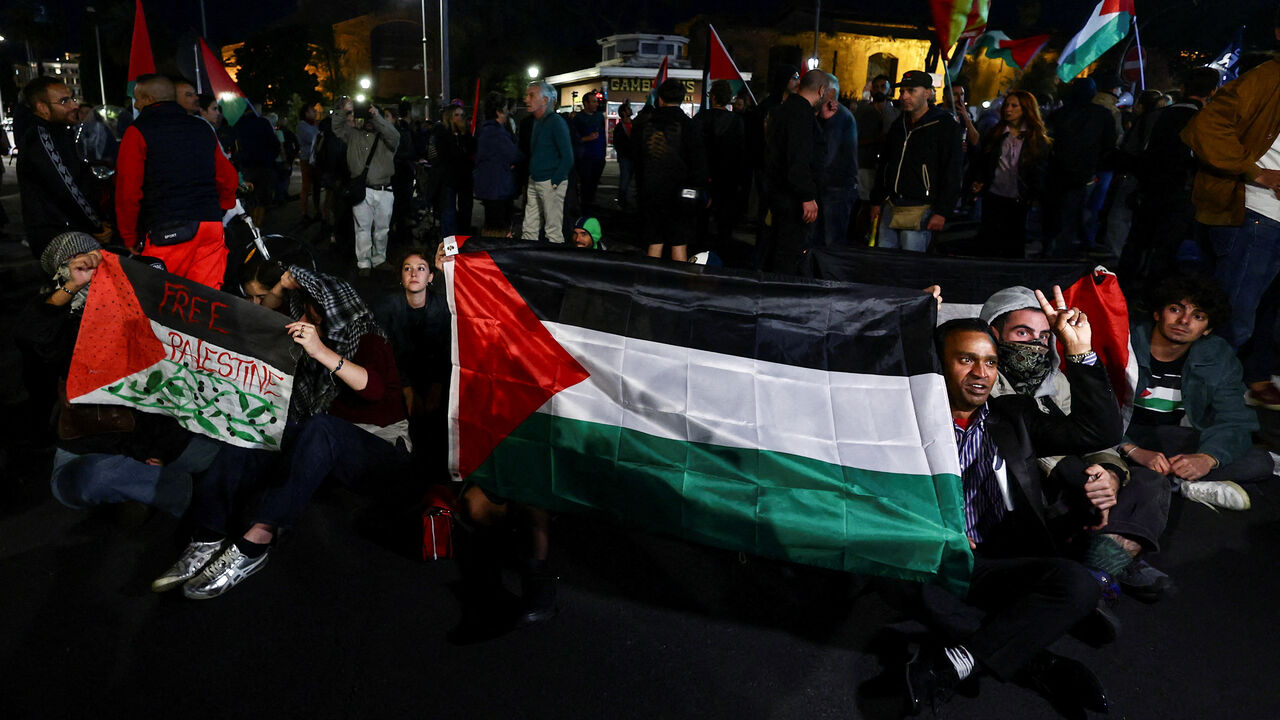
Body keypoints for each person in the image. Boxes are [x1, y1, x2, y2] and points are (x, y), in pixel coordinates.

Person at [903, 296, 1121, 717]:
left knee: (1079, 584)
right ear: (938, 364)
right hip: (930, 556)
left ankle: (958, 660)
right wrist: (909, 329)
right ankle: (1037, 660)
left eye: (988, 362)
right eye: (966, 360)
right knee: (909, 583)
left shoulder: (1012, 415)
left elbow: (1099, 429)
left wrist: (1080, 353)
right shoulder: (906, 419)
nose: (980, 374)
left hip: (998, 559)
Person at [152, 266, 412, 599]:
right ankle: (206, 536)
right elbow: (263, 318)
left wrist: (320, 351)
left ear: (332, 312)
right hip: (322, 449)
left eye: (315, 316)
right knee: (259, 423)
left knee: (321, 428)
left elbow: (373, 389)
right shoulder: (315, 325)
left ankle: (256, 542)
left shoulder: (367, 336)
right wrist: (279, 287)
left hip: (379, 448)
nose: (308, 321)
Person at [980, 286, 1173, 601]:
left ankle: (1100, 568)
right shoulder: (980, 375)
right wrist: (1083, 478)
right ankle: (1101, 565)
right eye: (1022, 332)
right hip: (1021, 489)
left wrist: (1109, 472)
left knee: (1150, 481)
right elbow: (1018, 438)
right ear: (993, 334)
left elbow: (1098, 434)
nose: (1035, 344)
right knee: (1072, 474)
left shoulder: (1055, 379)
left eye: (1043, 336)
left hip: (1077, 482)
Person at [13, 232, 220, 516]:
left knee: (229, 443)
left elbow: (175, 387)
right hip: (95, 448)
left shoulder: (137, 306)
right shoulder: (61, 328)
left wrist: (157, 451)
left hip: (159, 439)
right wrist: (73, 285)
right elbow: (29, 334)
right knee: (84, 482)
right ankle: (175, 494)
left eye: (93, 262)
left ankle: (148, 487)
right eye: (74, 268)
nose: (89, 271)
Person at [1181, 29, 1280, 410]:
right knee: (1233, 317)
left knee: (1262, 311)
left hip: (1268, 219)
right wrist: (1254, 172)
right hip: (1255, 214)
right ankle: (1195, 398)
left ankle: (1250, 379)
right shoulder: (1269, 76)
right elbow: (1205, 127)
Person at [1119, 276, 1274, 511]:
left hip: (1168, 437)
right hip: (1118, 436)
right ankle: (1178, 484)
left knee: (1260, 461)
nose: (1184, 321)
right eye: (1175, 309)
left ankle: (1172, 483)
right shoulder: (1125, 340)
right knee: (1086, 456)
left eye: (1198, 316)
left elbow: (1235, 418)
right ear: (1157, 313)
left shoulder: (1217, 354)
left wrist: (1207, 458)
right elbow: (1090, 409)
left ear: (1207, 329)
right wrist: (1132, 450)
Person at [115, 74, 238, 288]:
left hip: (168, 229)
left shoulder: (137, 131)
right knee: (205, 302)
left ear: (149, 99)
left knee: (164, 303)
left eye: (137, 99)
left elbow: (128, 191)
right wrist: (219, 208)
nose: (135, 104)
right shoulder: (201, 128)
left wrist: (129, 237)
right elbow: (228, 177)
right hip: (210, 227)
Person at [1122, 67, 1220, 293]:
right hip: (1184, 193)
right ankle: (1152, 295)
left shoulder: (1156, 116)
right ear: (1213, 91)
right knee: (1166, 248)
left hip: (1149, 190)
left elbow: (1133, 151)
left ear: (1183, 88)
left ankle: (1123, 292)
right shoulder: (1207, 120)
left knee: (1137, 242)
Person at [16, 76, 113, 260]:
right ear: (43, 108)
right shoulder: (41, 138)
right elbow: (68, 188)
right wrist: (97, 226)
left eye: (72, 98)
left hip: (79, 228)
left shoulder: (64, 132)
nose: (74, 105)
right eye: (64, 101)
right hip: (58, 235)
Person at [374, 249, 451, 473]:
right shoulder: (387, 306)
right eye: (407, 268)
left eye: (421, 268)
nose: (413, 273)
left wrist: (437, 384)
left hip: (435, 372)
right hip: (398, 373)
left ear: (430, 277)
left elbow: (446, 349)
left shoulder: (442, 306)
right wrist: (405, 386)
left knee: (437, 414)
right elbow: (386, 352)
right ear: (400, 277)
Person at [870, 70, 963, 253]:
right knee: (883, 262)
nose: (904, 96)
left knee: (910, 267)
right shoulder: (899, 124)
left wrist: (942, 211)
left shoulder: (944, 126)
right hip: (891, 205)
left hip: (921, 208)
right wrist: (876, 200)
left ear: (927, 93)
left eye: (911, 90)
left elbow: (952, 171)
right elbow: (885, 164)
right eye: (902, 91)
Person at [634, 78, 708, 263]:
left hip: (651, 192)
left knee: (654, 242)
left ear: (660, 98)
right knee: (679, 243)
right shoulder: (689, 126)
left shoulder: (644, 125)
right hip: (680, 195)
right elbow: (698, 164)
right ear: (682, 99)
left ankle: (650, 285)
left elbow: (636, 158)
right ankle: (677, 288)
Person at [1043, 78, 1118, 258]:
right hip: (1085, 173)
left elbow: (1048, 141)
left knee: (1055, 212)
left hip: (1057, 172)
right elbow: (1109, 145)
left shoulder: (1059, 114)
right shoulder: (1103, 115)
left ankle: (1051, 247)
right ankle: (1065, 251)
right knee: (1077, 213)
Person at [762, 69, 828, 271]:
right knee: (790, 252)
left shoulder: (783, 110)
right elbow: (798, 157)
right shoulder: (801, 115)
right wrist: (807, 196)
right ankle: (783, 295)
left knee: (779, 247)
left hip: (778, 191)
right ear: (821, 90)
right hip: (793, 198)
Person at [972, 91, 1051, 258]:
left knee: (1013, 243)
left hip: (1019, 199)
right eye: (1007, 105)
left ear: (1026, 109)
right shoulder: (996, 133)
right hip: (994, 195)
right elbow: (983, 161)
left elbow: (1040, 169)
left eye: (1014, 106)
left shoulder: (1035, 139)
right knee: (989, 242)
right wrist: (979, 181)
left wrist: (1035, 195)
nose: (1008, 109)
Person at [332, 97, 401, 273]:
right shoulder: (354, 135)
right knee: (362, 228)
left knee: (382, 228)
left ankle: (379, 259)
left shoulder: (387, 137)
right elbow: (337, 127)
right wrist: (346, 110)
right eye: (367, 116)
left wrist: (376, 115)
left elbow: (394, 135)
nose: (369, 121)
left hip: (385, 189)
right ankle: (364, 262)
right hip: (362, 189)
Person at [693, 79, 745, 255]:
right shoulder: (736, 122)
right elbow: (740, 154)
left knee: (700, 223)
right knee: (725, 224)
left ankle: (698, 255)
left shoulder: (700, 119)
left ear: (713, 97)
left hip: (702, 178)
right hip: (727, 179)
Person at [521, 81, 574, 244]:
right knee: (530, 225)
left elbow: (568, 156)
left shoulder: (555, 122)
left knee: (552, 229)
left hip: (549, 180)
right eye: (527, 95)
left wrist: (556, 181)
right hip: (537, 179)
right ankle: (529, 258)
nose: (526, 99)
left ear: (545, 100)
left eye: (531, 95)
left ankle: (553, 262)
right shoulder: (537, 121)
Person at [813, 72, 858, 247]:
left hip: (835, 187)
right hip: (834, 186)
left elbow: (829, 154)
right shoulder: (833, 115)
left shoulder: (837, 117)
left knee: (830, 240)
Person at [473, 92, 524, 235]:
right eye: (506, 108)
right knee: (498, 228)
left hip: (490, 185)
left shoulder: (485, 129)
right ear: (499, 111)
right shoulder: (496, 132)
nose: (508, 112)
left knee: (492, 224)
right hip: (497, 187)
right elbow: (514, 154)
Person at [429, 102, 475, 237]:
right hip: (449, 180)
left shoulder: (466, 135)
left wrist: (464, 135)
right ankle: (449, 250)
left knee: (465, 213)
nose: (460, 118)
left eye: (462, 115)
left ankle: (463, 245)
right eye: (456, 115)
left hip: (464, 180)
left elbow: (472, 150)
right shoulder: (442, 134)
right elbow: (449, 155)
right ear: (449, 117)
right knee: (448, 216)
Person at [234, 105, 281, 228]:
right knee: (261, 199)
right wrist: (270, 158)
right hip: (264, 166)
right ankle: (256, 227)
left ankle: (250, 224)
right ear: (256, 107)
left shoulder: (239, 124)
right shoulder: (262, 122)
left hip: (247, 167)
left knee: (250, 198)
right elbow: (275, 144)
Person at [572, 90, 607, 209]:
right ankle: (584, 206)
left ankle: (591, 204)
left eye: (596, 101)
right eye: (593, 102)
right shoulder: (578, 119)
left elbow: (603, 135)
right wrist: (586, 138)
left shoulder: (599, 117)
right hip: (585, 158)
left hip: (598, 157)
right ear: (585, 103)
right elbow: (574, 139)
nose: (596, 104)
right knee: (585, 183)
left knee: (594, 182)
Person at [296, 105, 319, 221]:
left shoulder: (314, 125)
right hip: (306, 159)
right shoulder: (302, 126)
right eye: (312, 111)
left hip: (315, 160)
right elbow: (313, 138)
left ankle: (316, 211)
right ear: (306, 113)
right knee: (306, 187)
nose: (315, 112)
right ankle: (304, 212)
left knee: (316, 187)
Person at [613, 101, 635, 209]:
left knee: (630, 181)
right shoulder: (619, 127)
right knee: (625, 180)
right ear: (623, 112)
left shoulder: (634, 124)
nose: (630, 110)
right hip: (625, 157)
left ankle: (625, 201)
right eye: (628, 109)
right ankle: (622, 202)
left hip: (633, 157)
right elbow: (617, 143)